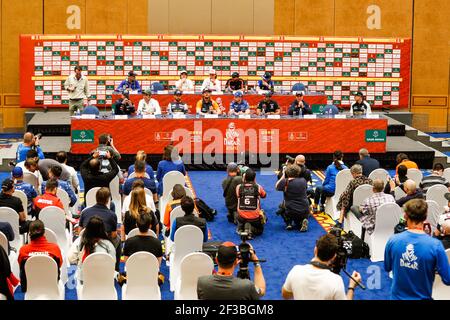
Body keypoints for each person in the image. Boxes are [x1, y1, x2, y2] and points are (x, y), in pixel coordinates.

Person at [385, 199, 450, 299]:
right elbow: (447, 279)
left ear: (405, 216)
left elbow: (387, 267)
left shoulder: (393, 240)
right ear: (425, 216)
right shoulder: (435, 246)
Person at [282, 233, 362, 300]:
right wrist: (351, 287)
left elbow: (285, 295)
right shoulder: (335, 281)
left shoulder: (296, 271)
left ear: (315, 250)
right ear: (334, 257)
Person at [197, 241, 265, 300]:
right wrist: (256, 262)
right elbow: (261, 291)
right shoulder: (247, 286)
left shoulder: (202, 282)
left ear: (216, 260)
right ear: (236, 261)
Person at [78, 187, 121, 270]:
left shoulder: (85, 212)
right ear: (108, 200)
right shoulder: (112, 215)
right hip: (104, 243)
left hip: (87, 241)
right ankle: (115, 269)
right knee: (118, 239)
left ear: (96, 198)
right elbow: (113, 235)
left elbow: (80, 232)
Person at [18, 219, 63, 292]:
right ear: (44, 232)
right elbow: (59, 265)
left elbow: (21, 267)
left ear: (29, 233)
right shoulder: (54, 248)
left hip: (29, 287)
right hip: (51, 285)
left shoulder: (23, 250)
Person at [68, 216, 116, 284]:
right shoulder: (108, 244)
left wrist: (79, 261)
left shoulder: (81, 241)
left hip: (84, 280)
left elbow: (71, 258)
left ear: (87, 229)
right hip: (105, 280)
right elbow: (113, 262)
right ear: (103, 229)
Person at [276, 164, 310, 231]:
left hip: (291, 210)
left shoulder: (285, 182)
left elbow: (276, 187)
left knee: (281, 207)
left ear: (287, 172)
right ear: (298, 172)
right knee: (299, 214)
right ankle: (302, 221)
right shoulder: (303, 180)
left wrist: (283, 175)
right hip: (305, 209)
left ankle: (289, 223)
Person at [236, 168, 267, 237]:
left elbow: (238, 196)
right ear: (254, 178)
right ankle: (249, 229)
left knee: (241, 216)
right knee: (260, 231)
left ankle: (242, 227)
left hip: (241, 216)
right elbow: (264, 195)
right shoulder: (258, 187)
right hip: (254, 218)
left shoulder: (238, 187)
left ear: (244, 177)